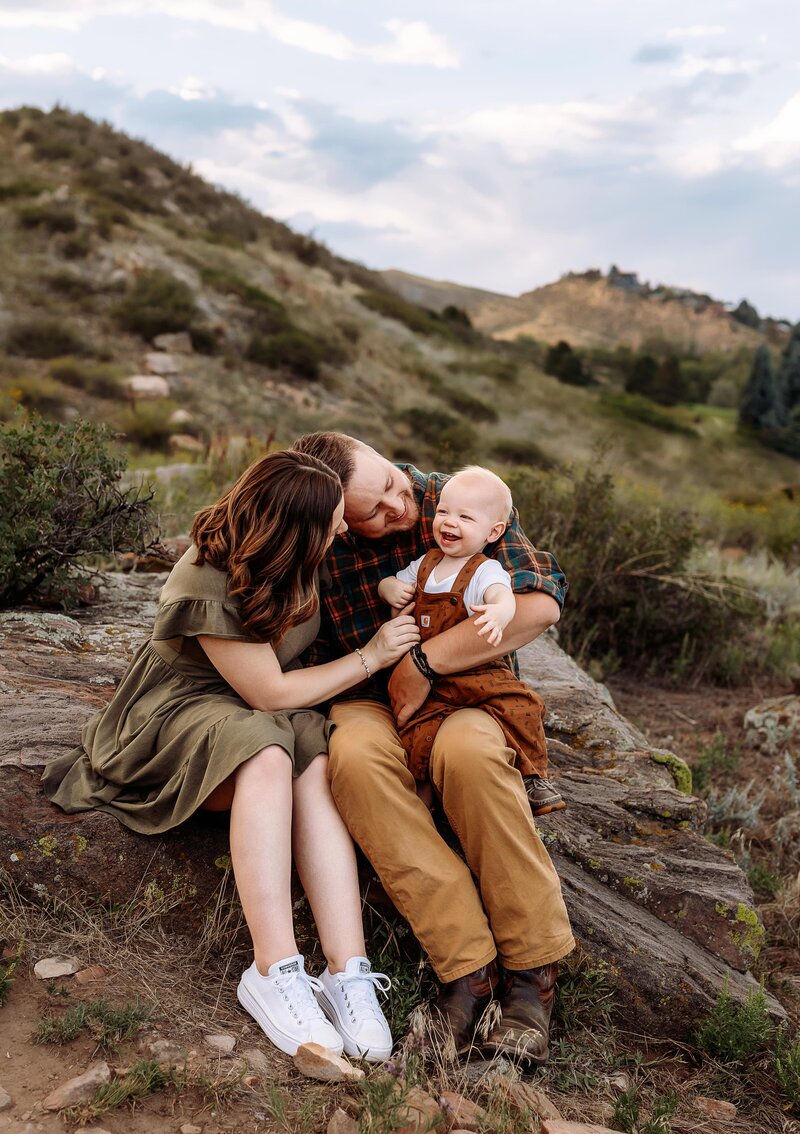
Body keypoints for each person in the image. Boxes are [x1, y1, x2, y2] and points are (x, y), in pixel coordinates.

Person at [41, 450, 420, 1062]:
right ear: (294, 527)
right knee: (270, 752)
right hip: (181, 711)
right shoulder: (207, 576)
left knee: (314, 757)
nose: (344, 528)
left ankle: (347, 970)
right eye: (333, 522)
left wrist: (384, 585)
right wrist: (372, 658)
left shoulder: (297, 547)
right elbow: (268, 692)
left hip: (255, 707)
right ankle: (272, 971)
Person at [291, 433, 575, 1064]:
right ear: (336, 522)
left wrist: (421, 661)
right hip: (363, 695)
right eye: (375, 509)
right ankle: (468, 969)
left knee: (472, 757)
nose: (404, 507)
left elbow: (536, 606)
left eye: (393, 481)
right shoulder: (312, 535)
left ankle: (532, 974)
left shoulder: (458, 498)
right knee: (357, 764)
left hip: (465, 689)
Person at [378, 465, 564, 814]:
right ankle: (425, 804)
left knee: (518, 705)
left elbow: (501, 595)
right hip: (432, 683)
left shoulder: (484, 569)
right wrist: (388, 588)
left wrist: (499, 612)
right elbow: (392, 582)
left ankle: (531, 775)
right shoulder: (424, 565)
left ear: (492, 532)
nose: (450, 522)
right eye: (444, 512)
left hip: (473, 669)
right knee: (419, 732)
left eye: (465, 517)